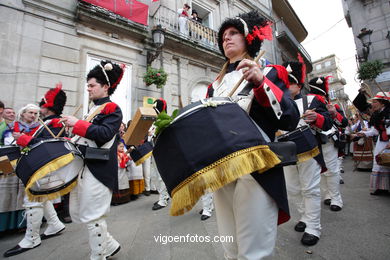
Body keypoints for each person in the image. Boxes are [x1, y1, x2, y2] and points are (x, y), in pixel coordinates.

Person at [208, 11, 299, 259]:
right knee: (230, 245)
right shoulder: (213, 85)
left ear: (248, 37)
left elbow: (290, 118)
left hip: (256, 168)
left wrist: (260, 83)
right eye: (223, 36)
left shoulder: (269, 73)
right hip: (223, 169)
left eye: (233, 33)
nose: (226, 39)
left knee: (253, 251)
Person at [61, 60, 124, 260]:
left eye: (92, 85)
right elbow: (88, 136)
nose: (88, 89)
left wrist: (77, 124)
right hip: (86, 166)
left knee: (94, 216)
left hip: (100, 168)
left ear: (105, 87)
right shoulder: (93, 109)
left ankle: (99, 255)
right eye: (87, 85)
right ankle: (110, 245)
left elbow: (104, 134)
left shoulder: (112, 108)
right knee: (83, 212)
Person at [4, 85, 67, 258]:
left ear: (48, 106)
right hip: (39, 165)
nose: (39, 109)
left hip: (44, 165)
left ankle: (32, 238)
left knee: (32, 198)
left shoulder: (55, 122)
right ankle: (55, 224)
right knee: (41, 196)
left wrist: (23, 139)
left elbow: (49, 145)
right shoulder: (45, 122)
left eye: (42, 105)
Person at [282, 58, 332, 246]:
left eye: (291, 82)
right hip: (286, 152)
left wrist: (317, 117)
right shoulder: (277, 102)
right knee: (293, 189)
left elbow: (328, 121)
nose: (286, 85)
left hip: (308, 150)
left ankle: (313, 227)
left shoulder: (313, 100)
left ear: (299, 84)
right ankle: (304, 216)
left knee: (309, 189)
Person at [308, 77, 348, 212]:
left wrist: (334, 113)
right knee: (321, 171)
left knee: (331, 170)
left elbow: (344, 123)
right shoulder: (306, 101)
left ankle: (336, 198)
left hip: (329, 140)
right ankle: (328, 195)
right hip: (313, 141)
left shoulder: (333, 106)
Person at [357, 92, 390, 195]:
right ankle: (381, 187)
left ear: (382, 103)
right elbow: (375, 131)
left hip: (388, 141)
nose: (372, 104)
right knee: (378, 162)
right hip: (381, 141)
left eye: (375, 102)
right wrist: (364, 133)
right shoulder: (377, 115)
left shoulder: (388, 113)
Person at [150, 99, 170, 211]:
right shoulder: (154, 121)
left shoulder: (165, 120)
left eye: (155, 108)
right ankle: (163, 195)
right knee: (154, 176)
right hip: (153, 151)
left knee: (160, 176)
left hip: (161, 152)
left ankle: (163, 199)